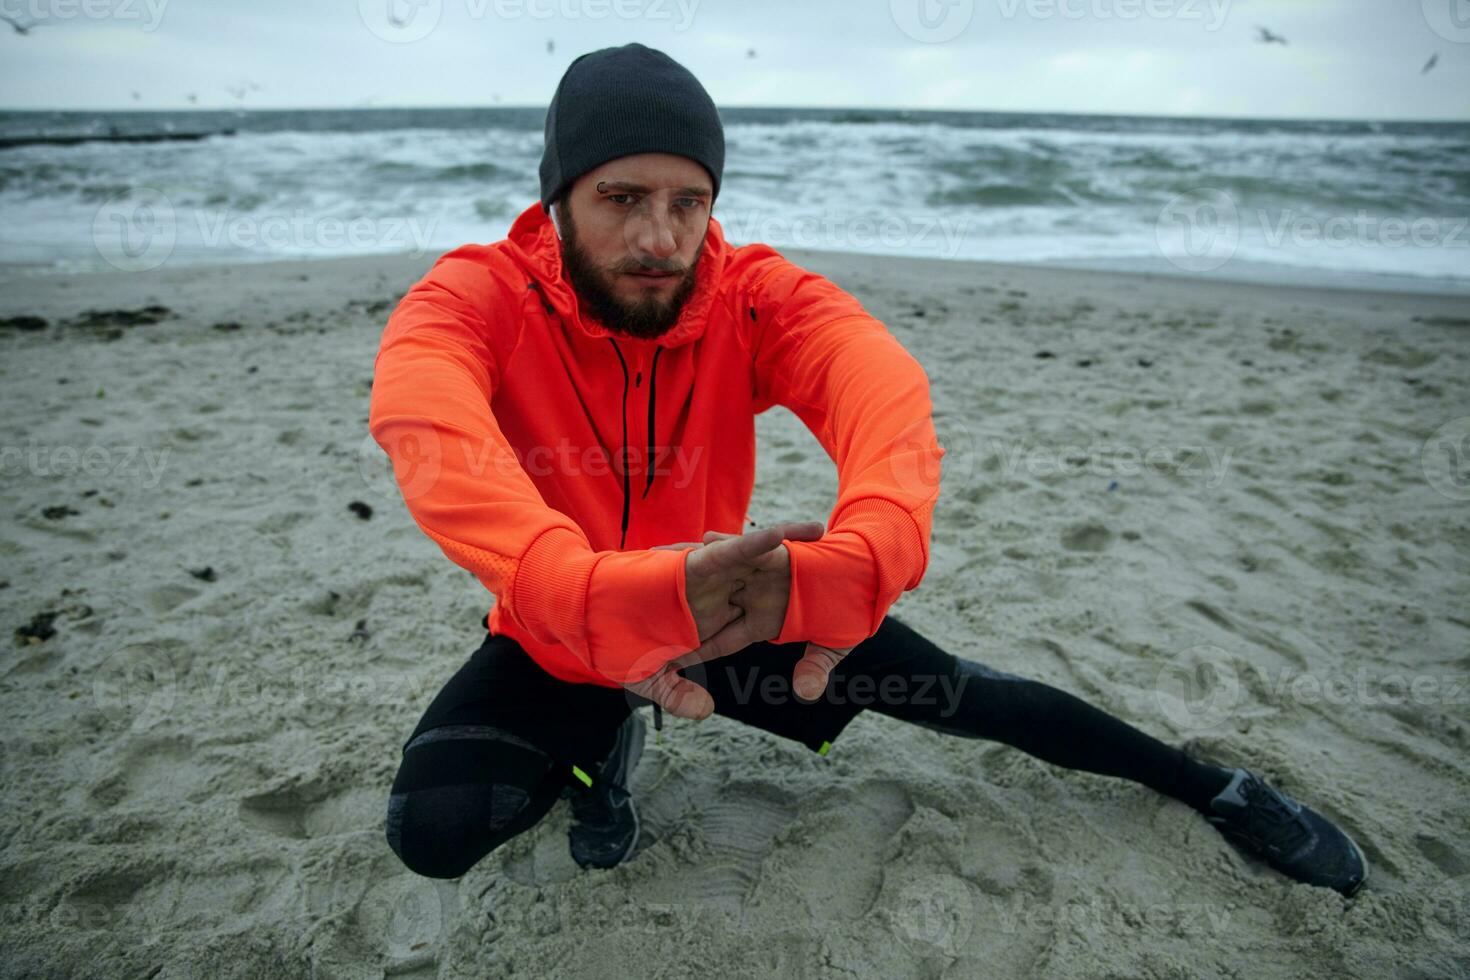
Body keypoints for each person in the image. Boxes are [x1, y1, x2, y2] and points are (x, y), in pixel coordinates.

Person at [369, 43, 1367, 897]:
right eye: (620, 198)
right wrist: (580, 589)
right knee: (439, 825)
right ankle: (601, 764)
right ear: (558, 196)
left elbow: (879, 390)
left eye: (689, 201)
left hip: (731, 604)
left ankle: (1216, 787)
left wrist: (864, 554)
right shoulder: (475, 299)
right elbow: (432, 434)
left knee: (966, 693)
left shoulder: (752, 297)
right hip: (564, 624)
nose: (659, 239)